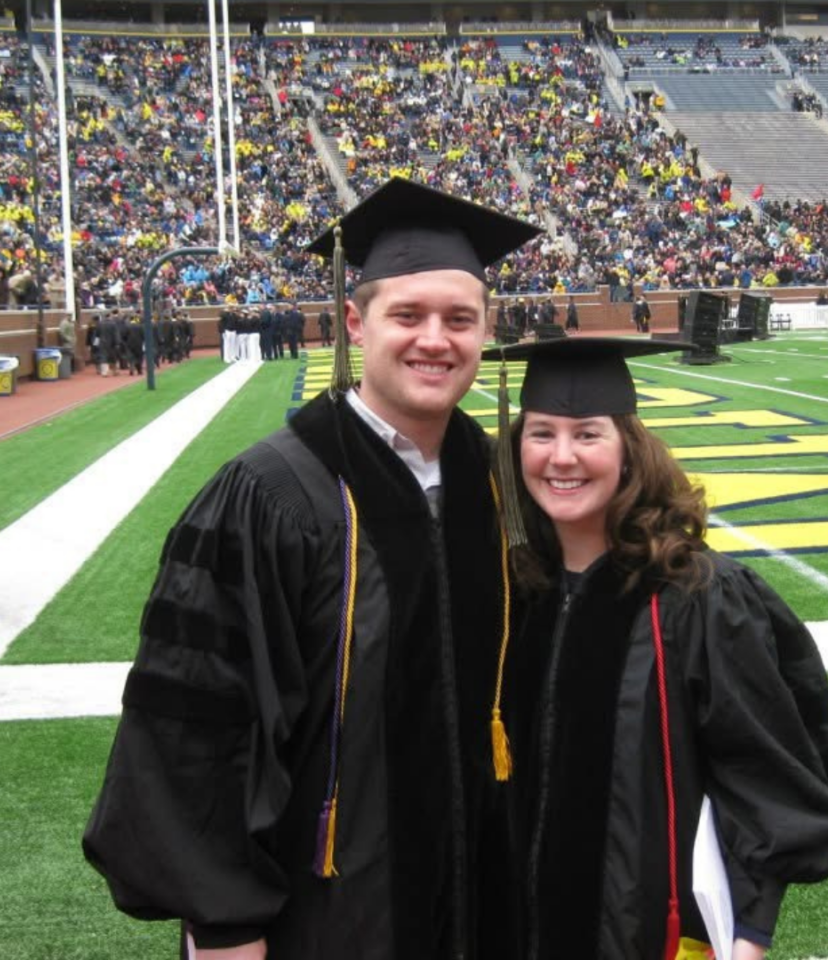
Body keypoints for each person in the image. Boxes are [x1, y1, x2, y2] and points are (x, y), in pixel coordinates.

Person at [83, 178, 540, 960]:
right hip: (328, 917)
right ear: (356, 323)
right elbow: (195, 734)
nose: (437, 338)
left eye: (460, 319)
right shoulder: (269, 498)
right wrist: (225, 928)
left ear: (486, 331)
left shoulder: (504, 483)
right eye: (409, 315)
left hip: (483, 907)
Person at [485, 337, 828, 960]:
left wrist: (748, 939)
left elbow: (764, 775)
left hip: (650, 937)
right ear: (515, 450)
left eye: (588, 434)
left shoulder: (696, 596)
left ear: (628, 448)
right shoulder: (514, 592)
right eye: (541, 434)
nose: (562, 458)